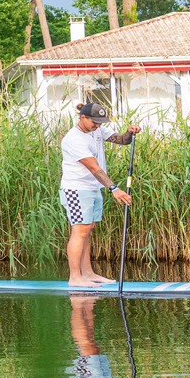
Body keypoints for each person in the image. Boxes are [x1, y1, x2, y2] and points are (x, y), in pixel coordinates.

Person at [60, 101, 141, 286]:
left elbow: (122, 140)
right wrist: (114, 189)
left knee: (87, 230)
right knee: (80, 230)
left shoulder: (96, 130)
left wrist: (129, 132)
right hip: (76, 188)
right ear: (83, 118)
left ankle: (88, 274)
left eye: (100, 122)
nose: (98, 125)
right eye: (95, 122)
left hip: (93, 188)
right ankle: (75, 278)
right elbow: (94, 168)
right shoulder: (73, 139)